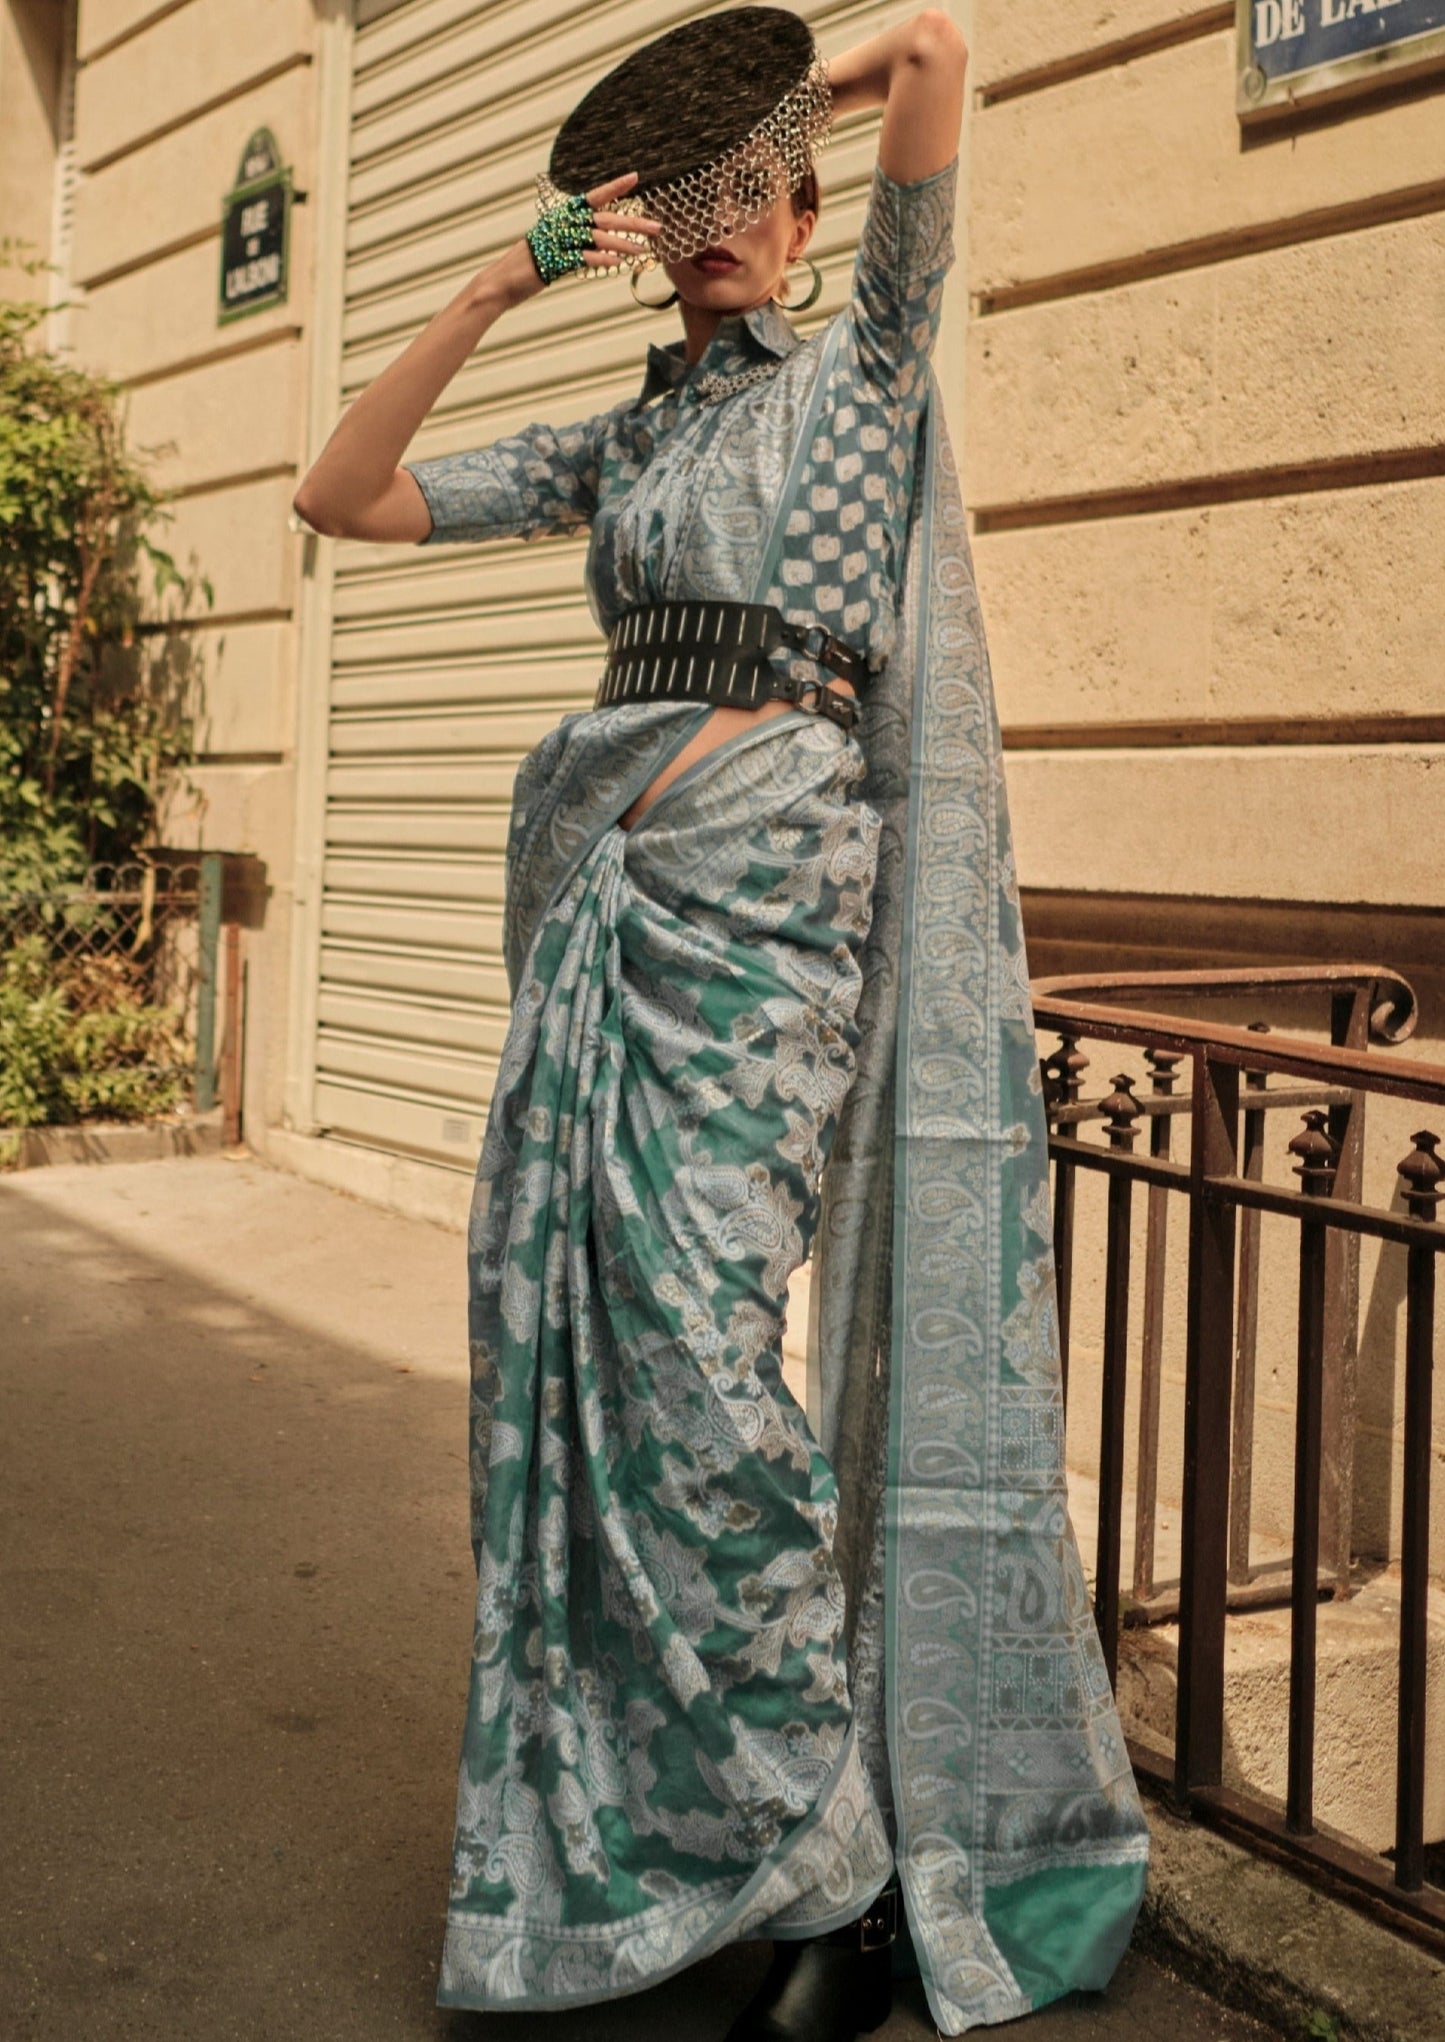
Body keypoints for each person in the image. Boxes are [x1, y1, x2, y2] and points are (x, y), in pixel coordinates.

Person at [293, 10, 1151, 2037]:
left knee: (701, 1379)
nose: (712, 232)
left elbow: (936, 50)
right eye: (681, 210)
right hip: (608, 907)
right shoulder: (631, 436)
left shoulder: (861, 369)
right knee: (591, 1362)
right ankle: (738, 1850)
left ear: (796, 201)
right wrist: (501, 272)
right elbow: (346, 497)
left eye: (742, 194)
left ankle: (841, 1864)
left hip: (772, 921)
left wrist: (766, 99)